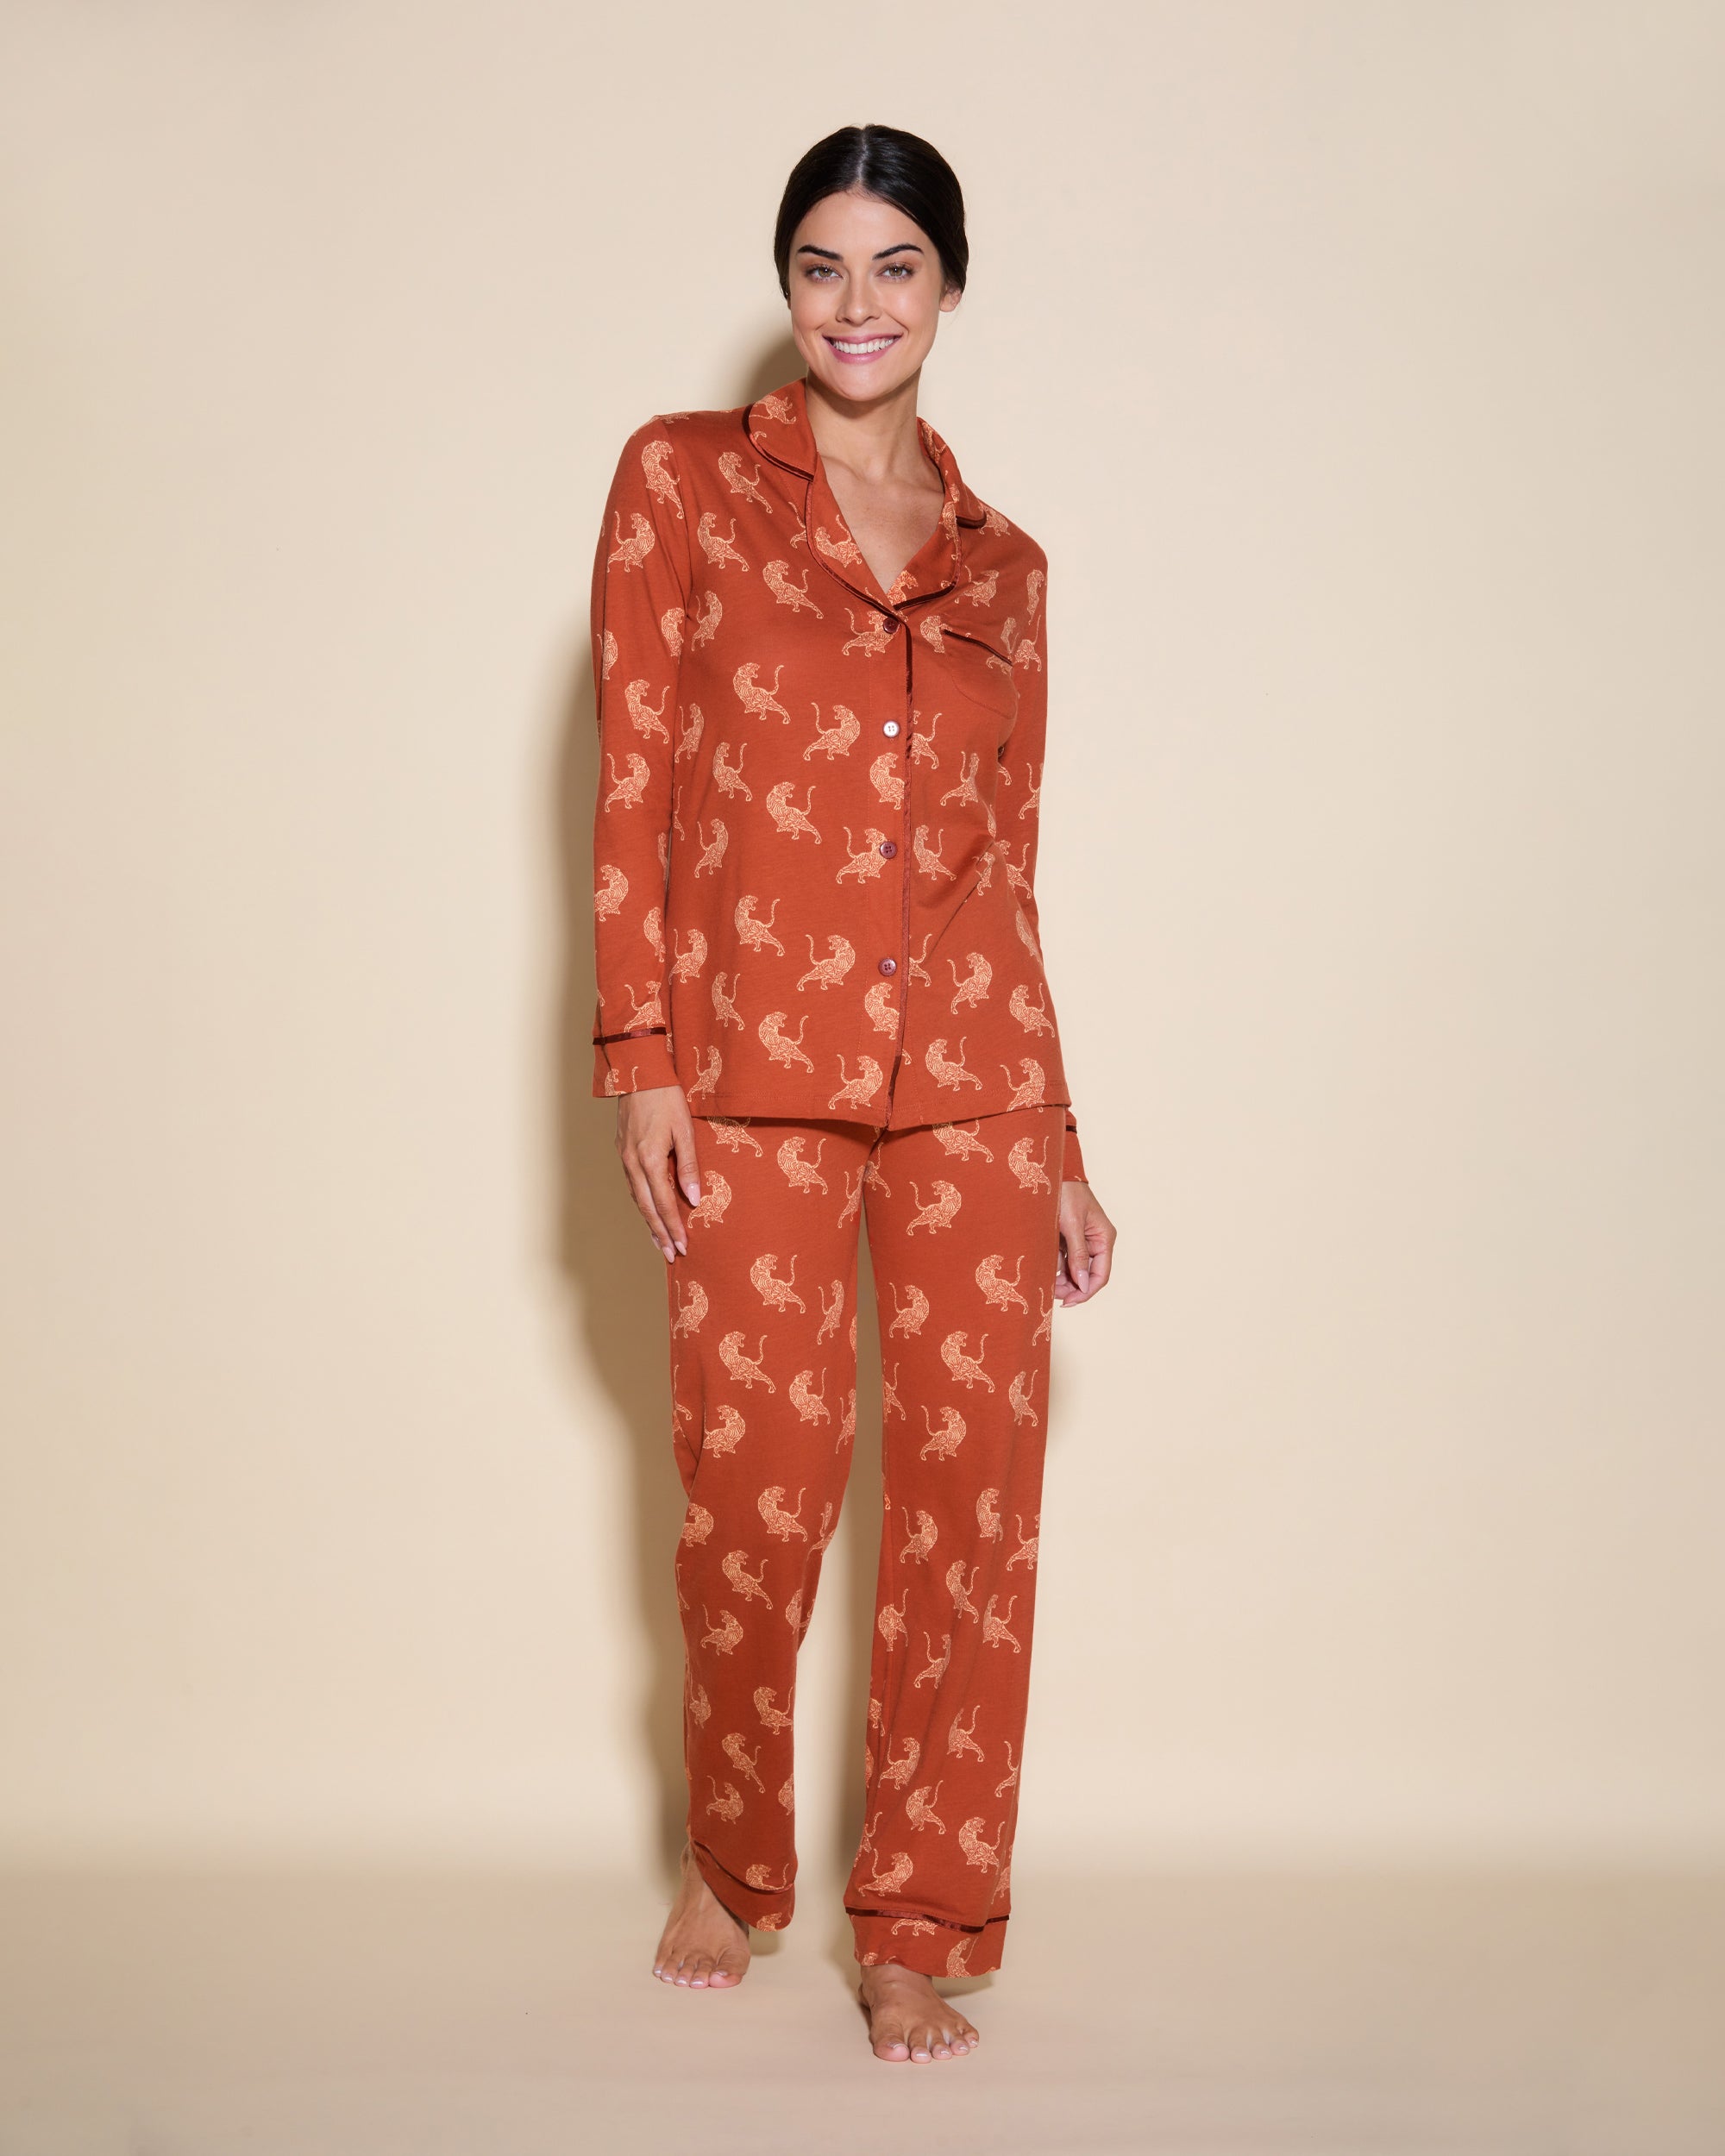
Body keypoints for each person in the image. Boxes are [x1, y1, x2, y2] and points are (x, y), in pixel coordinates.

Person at [588, 122, 1116, 2065]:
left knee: (973, 1509)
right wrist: (640, 1054)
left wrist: (1062, 1139)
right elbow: (632, 781)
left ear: (948, 287)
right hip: (751, 1071)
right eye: (823, 264)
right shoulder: (680, 484)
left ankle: (919, 1925)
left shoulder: (1009, 570)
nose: (857, 302)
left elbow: (1007, 867)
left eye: (897, 266)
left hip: (978, 1081)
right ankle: (737, 1861)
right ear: (788, 284)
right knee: (754, 1485)